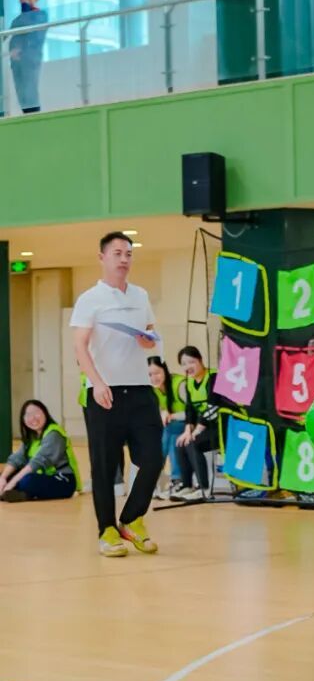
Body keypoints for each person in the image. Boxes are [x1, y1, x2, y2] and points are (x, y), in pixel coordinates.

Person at [70, 232, 162, 556]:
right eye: (118, 253)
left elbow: (149, 334)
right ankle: (107, 530)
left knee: (153, 457)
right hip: (103, 393)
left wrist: (148, 339)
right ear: (102, 257)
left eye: (128, 254)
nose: (124, 259)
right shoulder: (89, 299)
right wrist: (97, 382)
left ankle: (132, 518)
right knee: (105, 466)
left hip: (140, 390)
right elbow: (80, 345)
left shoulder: (141, 295)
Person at [0, 400, 81, 501]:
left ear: (45, 413)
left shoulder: (54, 434)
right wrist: (3, 478)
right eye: (28, 415)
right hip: (43, 477)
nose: (33, 418)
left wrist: (11, 484)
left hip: (63, 480)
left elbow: (37, 462)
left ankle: (17, 491)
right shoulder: (32, 437)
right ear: (23, 419)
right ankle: (23, 494)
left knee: (28, 481)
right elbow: (17, 459)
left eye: (36, 413)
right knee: (8, 475)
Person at [174, 346, 219, 500]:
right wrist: (187, 431)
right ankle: (187, 485)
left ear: (200, 360)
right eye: (183, 364)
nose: (188, 367)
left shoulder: (213, 377)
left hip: (220, 428)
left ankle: (204, 488)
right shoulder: (189, 383)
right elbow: (190, 411)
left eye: (191, 362)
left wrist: (196, 432)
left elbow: (213, 408)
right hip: (203, 428)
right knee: (181, 443)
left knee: (192, 443)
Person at [149, 355, 187, 496]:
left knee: (171, 433)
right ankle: (174, 479)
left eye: (157, 373)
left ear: (165, 370)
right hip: (169, 427)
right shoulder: (152, 390)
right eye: (150, 375)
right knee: (166, 435)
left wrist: (172, 416)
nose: (154, 378)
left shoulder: (180, 384)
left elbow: (194, 412)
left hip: (190, 424)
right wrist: (162, 414)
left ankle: (164, 478)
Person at [7, 0, 47, 115]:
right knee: (21, 92)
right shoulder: (17, 20)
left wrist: (21, 50)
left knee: (30, 90)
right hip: (16, 61)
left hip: (29, 59)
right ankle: (26, 115)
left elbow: (35, 34)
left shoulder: (40, 15)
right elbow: (9, 36)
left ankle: (34, 117)